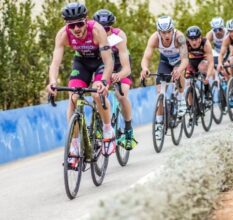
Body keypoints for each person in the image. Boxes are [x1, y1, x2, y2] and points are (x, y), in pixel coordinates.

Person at [46, 3, 115, 167]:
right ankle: (75, 146)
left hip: (100, 62)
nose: (76, 28)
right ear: (66, 25)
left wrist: (104, 81)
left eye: (79, 24)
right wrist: (52, 81)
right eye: (71, 25)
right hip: (82, 62)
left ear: (86, 20)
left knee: (97, 93)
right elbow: (55, 63)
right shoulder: (63, 34)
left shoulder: (97, 30)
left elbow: (108, 61)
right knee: (73, 96)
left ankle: (107, 130)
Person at [93, 9, 137, 150]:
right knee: (97, 92)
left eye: (107, 28)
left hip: (120, 67)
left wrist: (119, 75)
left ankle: (129, 130)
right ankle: (100, 125)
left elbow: (127, 68)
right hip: (103, 66)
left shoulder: (119, 36)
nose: (104, 31)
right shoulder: (93, 36)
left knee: (120, 95)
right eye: (101, 28)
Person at [140, 16, 189, 140]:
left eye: (168, 31)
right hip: (165, 62)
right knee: (159, 92)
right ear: (159, 32)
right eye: (163, 32)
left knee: (179, 74)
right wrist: (145, 68)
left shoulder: (180, 37)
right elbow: (146, 57)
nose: (166, 35)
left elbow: (185, 60)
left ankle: (181, 98)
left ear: (172, 29)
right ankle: (159, 123)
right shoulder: (154, 38)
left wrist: (178, 70)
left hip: (179, 61)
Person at [185, 26, 214, 103]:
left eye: (196, 39)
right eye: (191, 39)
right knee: (188, 84)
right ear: (188, 39)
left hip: (203, 61)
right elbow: (182, 60)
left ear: (200, 37)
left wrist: (208, 76)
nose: (194, 42)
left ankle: (207, 90)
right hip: (191, 62)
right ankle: (191, 107)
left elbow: (211, 62)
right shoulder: (184, 44)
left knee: (202, 67)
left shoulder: (206, 43)